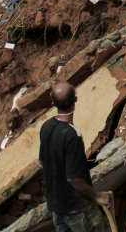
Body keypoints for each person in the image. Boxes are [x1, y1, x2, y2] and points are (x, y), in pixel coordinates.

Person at [39, 82, 97, 232]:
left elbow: (41, 161)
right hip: (74, 208)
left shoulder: (46, 126)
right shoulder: (72, 136)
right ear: (75, 100)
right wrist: (98, 196)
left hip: (55, 205)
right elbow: (74, 179)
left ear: (53, 103)